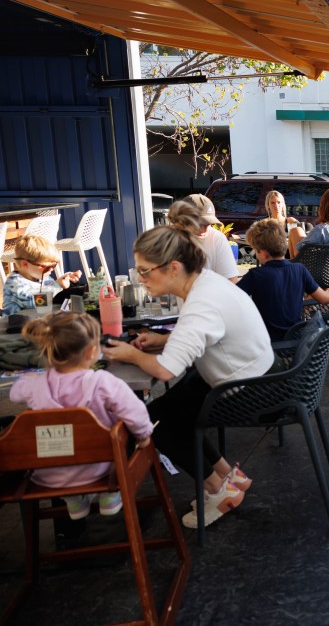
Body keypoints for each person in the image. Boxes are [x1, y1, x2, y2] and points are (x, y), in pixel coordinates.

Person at [103, 224, 275, 529]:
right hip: (252, 374)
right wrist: (163, 340)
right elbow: (207, 333)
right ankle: (229, 477)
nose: (140, 279)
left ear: (173, 268)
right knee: (167, 408)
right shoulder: (205, 282)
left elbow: (164, 370)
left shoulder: (200, 303)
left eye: (144, 271)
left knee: (156, 424)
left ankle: (218, 491)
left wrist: (129, 354)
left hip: (244, 389)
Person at [11, 311, 154, 519]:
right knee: (122, 435)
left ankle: (74, 500)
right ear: (92, 352)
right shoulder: (102, 382)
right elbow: (135, 411)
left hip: (49, 473)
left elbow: (14, 394)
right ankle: (111, 494)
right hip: (99, 469)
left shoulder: (35, 386)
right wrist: (143, 436)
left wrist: (30, 378)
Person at [238, 218, 329, 340]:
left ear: (263, 253)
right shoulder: (299, 269)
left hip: (268, 342)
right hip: (296, 339)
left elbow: (231, 298)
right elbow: (324, 297)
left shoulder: (255, 275)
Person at [2, 234, 82, 316]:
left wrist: (67, 279)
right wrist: (56, 286)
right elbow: (34, 302)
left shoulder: (41, 277)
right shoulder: (15, 283)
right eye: (47, 267)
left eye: (53, 265)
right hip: (17, 322)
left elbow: (51, 290)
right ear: (25, 264)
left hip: (38, 319)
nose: (51, 269)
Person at [168, 195, 240, 283]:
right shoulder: (168, 240)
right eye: (200, 224)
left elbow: (231, 280)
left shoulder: (217, 238)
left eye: (208, 224)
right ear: (182, 221)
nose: (204, 229)